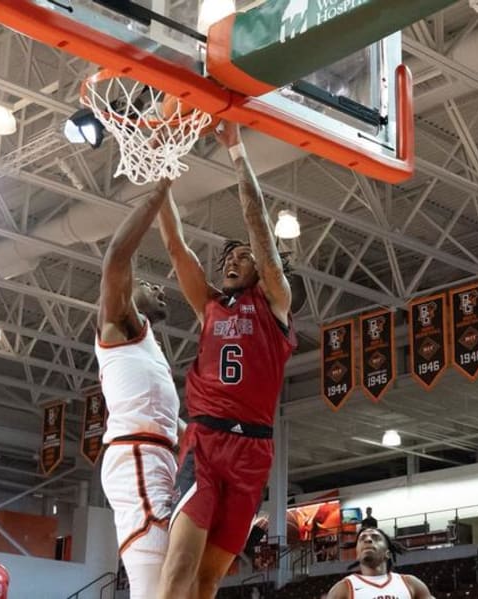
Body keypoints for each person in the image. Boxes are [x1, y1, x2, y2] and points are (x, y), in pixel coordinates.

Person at [155, 121, 296, 599]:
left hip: (253, 453)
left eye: (240, 256)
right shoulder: (210, 306)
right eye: (226, 259)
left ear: (260, 264)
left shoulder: (275, 303)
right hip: (207, 443)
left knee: (209, 580)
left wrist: (237, 149)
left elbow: (258, 226)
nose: (230, 262)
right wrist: (163, 173)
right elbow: (176, 246)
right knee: (179, 570)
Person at [95, 178, 182, 599]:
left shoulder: (150, 348)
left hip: (156, 454)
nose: (159, 287)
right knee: (155, 581)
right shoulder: (117, 327)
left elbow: (173, 421)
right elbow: (115, 258)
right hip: (137, 453)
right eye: (147, 284)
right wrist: (157, 188)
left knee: (174, 579)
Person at [326, 528, 434, 598]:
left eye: (376, 538)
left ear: (387, 553)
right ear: (357, 554)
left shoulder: (410, 583)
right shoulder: (343, 589)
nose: (368, 539)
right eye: (362, 539)